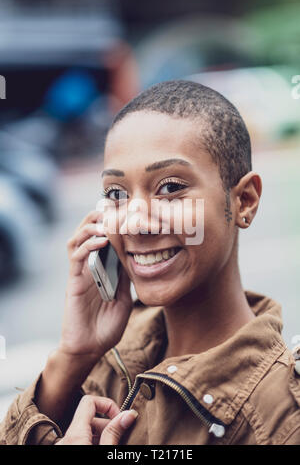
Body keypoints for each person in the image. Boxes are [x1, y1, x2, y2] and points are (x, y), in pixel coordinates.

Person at [1, 80, 300, 445]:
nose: (134, 222)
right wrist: (73, 355)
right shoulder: (104, 356)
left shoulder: (282, 418)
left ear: (245, 201)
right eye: (116, 194)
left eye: (171, 187)